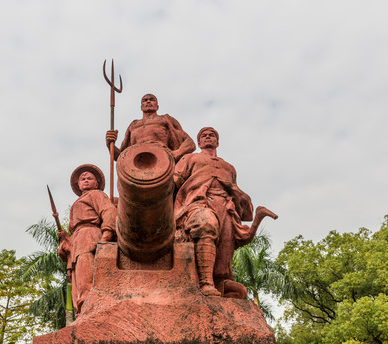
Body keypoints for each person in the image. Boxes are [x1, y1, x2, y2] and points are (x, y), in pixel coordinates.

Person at [173, 127, 278, 297]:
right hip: (198, 203)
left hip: (225, 206)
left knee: (225, 245)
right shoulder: (190, 158)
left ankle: (219, 283)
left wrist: (233, 190)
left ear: (217, 142)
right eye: (204, 136)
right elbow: (174, 181)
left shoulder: (229, 167)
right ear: (199, 143)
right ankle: (205, 283)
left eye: (212, 135)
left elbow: (235, 192)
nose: (208, 137)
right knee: (206, 224)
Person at [57, 164, 117, 313]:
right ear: (78, 184)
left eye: (89, 178)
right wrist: (65, 238)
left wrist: (107, 233)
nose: (85, 180)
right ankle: (82, 311)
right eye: (82, 179)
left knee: (86, 276)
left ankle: (90, 308)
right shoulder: (77, 203)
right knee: (78, 281)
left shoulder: (96, 194)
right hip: (77, 239)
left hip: (89, 235)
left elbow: (109, 210)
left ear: (96, 183)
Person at [106, 93, 195, 163]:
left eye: (152, 100)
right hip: (136, 163)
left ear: (157, 106)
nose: (148, 101)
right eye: (145, 100)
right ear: (141, 107)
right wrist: (110, 144)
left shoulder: (165, 119)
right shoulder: (134, 125)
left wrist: (175, 154)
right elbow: (120, 157)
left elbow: (190, 143)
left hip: (161, 159)